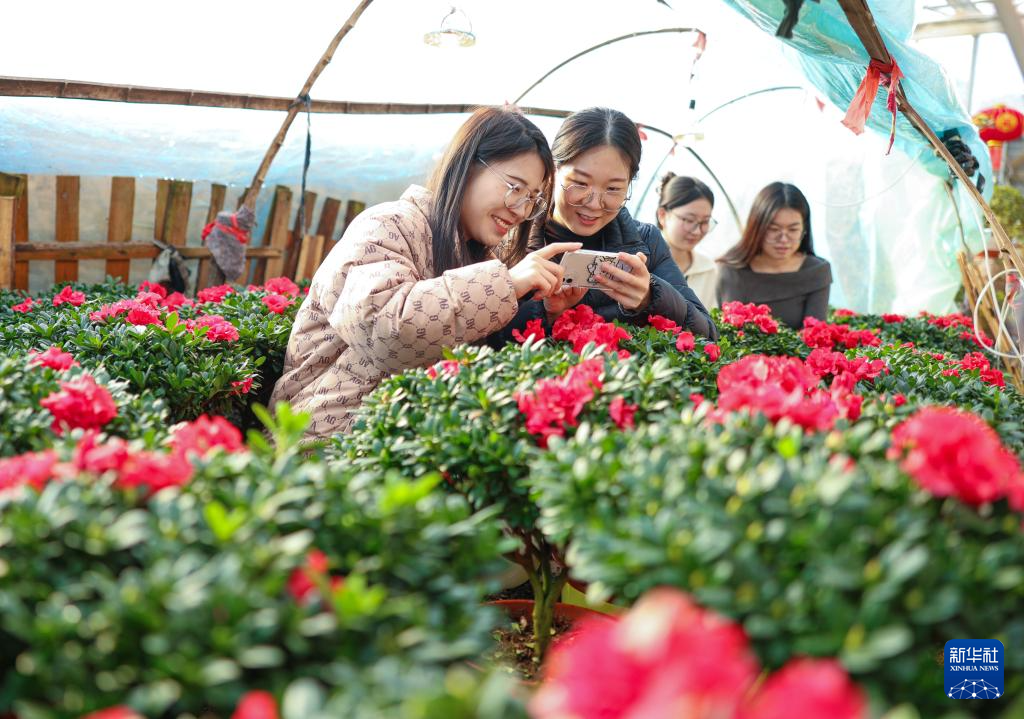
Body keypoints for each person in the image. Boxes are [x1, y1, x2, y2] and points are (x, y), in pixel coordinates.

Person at [271, 106, 581, 438]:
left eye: (532, 199)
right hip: (318, 444)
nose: (520, 210)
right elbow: (386, 333)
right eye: (515, 187)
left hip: (398, 447)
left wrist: (547, 312)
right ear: (467, 165)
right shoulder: (387, 225)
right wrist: (506, 284)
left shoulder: (476, 257)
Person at [489, 107, 717, 345]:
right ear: (553, 172)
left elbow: (708, 337)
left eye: (613, 189)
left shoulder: (646, 242)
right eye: (580, 183)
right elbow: (475, 347)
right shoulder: (506, 238)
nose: (594, 204)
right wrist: (545, 313)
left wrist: (650, 296)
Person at [716, 182, 831, 330]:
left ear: (804, 229)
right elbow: (732, 333)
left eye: (793, 229)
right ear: (756, 228)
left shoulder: (817, 271)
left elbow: (814, 334)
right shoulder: (732, 270)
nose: (783, 239)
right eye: (774, 229)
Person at [656, 172, 718, 309]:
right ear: (663, 215)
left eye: (705, 222)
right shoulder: (641, 261)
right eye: (689, 220)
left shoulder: (708, 269)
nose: (697, 231)